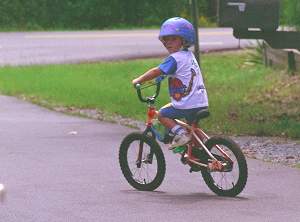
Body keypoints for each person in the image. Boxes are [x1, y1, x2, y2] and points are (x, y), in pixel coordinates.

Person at [132, 17, 209, 148]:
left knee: (162, 115)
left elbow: (157, 71)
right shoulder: (189, 55)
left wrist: (139, 80)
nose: (169, 43)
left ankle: (181, 134)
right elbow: (180, 72)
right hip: (201, 102)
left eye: (173, 39)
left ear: (184, 40)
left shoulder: (174, 59)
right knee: (194, 130)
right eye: (166, 39)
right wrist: (162, 77)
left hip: (187, 104)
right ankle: (204, 151)